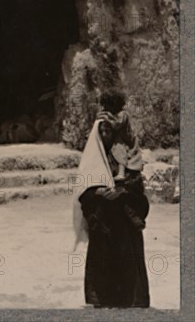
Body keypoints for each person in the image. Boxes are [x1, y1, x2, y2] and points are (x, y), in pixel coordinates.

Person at [72, 116, 150, 308]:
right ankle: (102, 299)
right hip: (103, 221)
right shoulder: (92, 159)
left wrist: (120, 191)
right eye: (102, 131)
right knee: (102, 259)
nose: (106, 134)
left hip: (123, 218)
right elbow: (83, 191)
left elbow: (135, 182)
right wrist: (98, 192)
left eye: (109, 130)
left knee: (128, 259)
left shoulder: (124, 154)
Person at [97, 89, 142, 182]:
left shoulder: (122, 114)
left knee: (119, 149)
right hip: (121, 138)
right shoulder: (114, 114)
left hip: (126, 141)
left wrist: (106, 117)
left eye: (107, 105)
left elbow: (116, 125)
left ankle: (121, 173)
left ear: (114, 104)